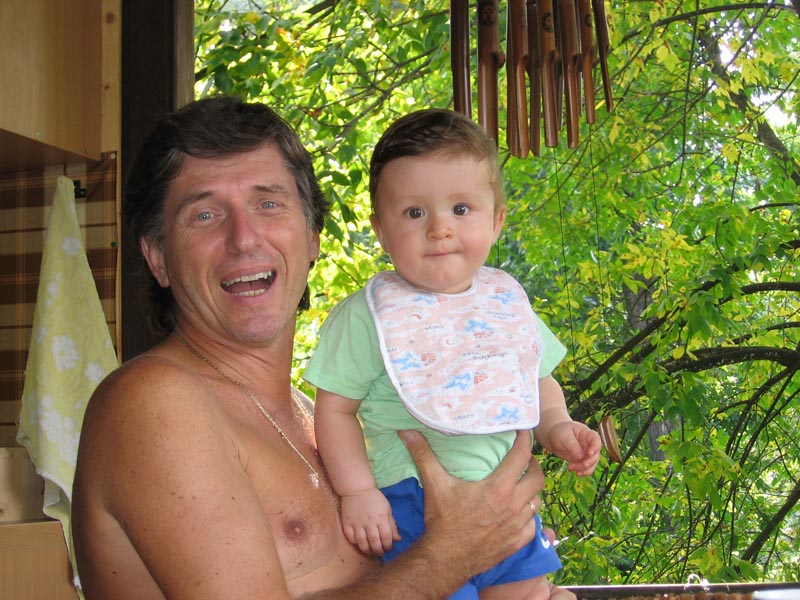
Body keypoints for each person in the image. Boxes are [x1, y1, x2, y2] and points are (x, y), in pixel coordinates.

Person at [71, 96, 559, 600]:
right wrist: (456, 552)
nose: (244, 238)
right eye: (205, 215)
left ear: (312, 238)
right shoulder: (154, 401)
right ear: (158, 258)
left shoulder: (318, 419)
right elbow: (447, 554)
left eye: (268, 204)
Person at [305, 108, 601, 600]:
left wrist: (557, 426)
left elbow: (535, 377)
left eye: (461, 209)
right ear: (380, 230)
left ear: (497, 220)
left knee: (534, 594)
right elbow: (334, 409)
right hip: (413, 507)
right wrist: (357, 491)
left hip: (506, 503)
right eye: (414, 213)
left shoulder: (505, 303)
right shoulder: (368, 317)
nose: (439, 228)